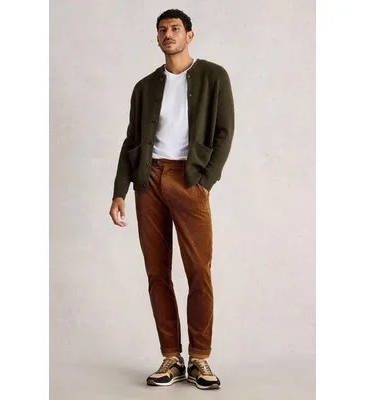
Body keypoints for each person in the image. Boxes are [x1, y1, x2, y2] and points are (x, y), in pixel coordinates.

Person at [109, 8, 234, 390]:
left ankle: (200, 358)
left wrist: (205, 181)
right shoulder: (145, 87)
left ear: (189, 35)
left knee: (199, 271)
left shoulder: (213, 76)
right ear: (158, 37)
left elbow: (224, 132)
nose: (168, 34)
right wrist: (120, 191)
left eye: (175, 28)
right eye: (162, 29)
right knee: (156, 273)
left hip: (189, 178)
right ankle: (171, 357)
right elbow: (132, 140)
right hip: (149, 180)